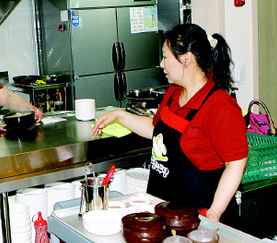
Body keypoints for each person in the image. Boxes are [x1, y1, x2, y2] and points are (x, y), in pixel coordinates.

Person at [92, 24, 248, 225]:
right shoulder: (173, 93)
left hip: (198, 219)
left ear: (186, 59)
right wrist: (119, 116)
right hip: (163, 211)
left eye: (165, 57)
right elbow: (155, 131)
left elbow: (235, 164)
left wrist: (215, 212)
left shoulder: (220, 106)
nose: (161, 64)